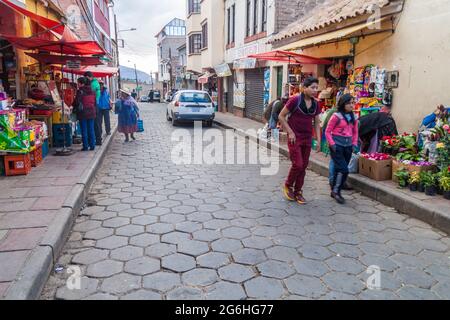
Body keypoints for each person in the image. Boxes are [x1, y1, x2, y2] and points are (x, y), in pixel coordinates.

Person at [279, 77, 322, 205]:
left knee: (303, 166)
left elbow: (317, 123)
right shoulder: (295, 100)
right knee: (297, 164)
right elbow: (281, 116)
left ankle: (298, 191)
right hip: (294, 137)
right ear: (304, 88)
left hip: (307, 138)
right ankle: (287, 185)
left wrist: (319, 140)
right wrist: (290, 132)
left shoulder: (316, 104)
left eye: (316, 88)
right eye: (312, 87)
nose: (315, 90)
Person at [326, 94, 359, 204]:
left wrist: (354, 144)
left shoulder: (354, 117)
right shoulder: (336, 116)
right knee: (344, 169)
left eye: (352, 103)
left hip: (348, 146)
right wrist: (332, 144)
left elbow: (355, 132)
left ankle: (335, 190)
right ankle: (336, 191)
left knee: (339, 169)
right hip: (337, 146)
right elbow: (327, 131)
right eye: (349, 103)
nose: (351, 105)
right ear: (343, 104)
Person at [74, 77, 97, 151]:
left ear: (82, 83)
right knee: (91, 129)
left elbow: (76, 102)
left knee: (84, 130)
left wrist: (73, 105)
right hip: (92, 112)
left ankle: (85, 146)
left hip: (83, 113)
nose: (77, 84)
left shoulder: (80, 91)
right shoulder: (93, 91)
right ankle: (92, 146)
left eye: (78, 83)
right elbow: (95, 102)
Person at [84, 71, 102, 146]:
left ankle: (98, 140)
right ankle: (97, 139)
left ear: (88, 77)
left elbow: (90, 93)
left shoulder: (93, 84)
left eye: (86, 78)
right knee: (95, 123)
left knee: (95, 124)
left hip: (94, 105)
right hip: (94, 104)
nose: (85, 79)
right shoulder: (95, 83)